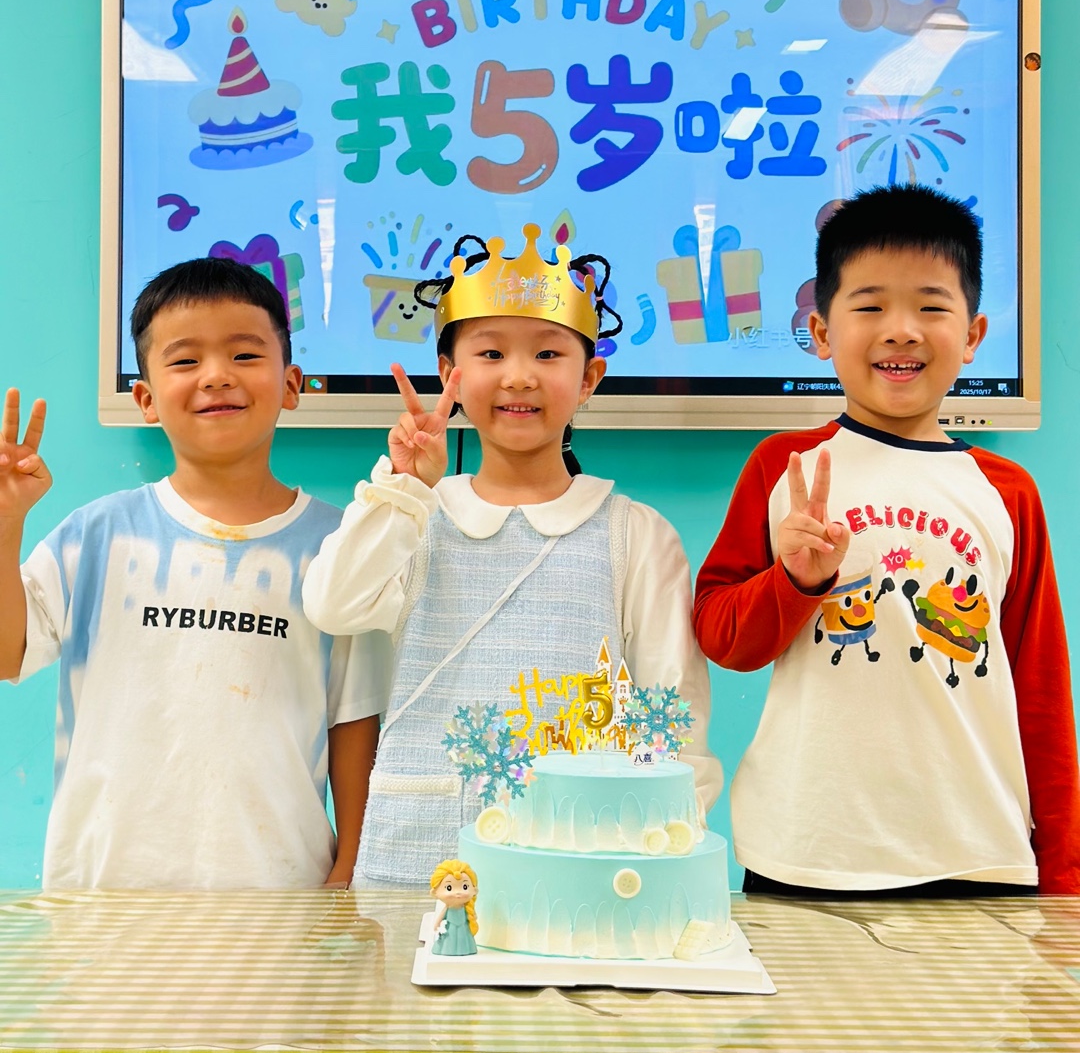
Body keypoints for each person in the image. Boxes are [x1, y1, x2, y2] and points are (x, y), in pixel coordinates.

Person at [303, 224, 722, 887]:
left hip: (582, 864)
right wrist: (405, 488)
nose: (519, 376)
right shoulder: (417, 517)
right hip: (420, 859)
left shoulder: (635, 534)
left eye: (548, 354)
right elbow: (334, 604)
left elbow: (673, 713)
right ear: (451, 375)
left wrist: (665, 848)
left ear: (589, 378)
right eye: (491, 352)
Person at [694, 184, 1080, 897]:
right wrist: (795, 581)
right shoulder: (786, 467)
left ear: (973, 335)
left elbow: (1043, 692)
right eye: (870, 307)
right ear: (820, 333)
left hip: (979, 853)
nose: (901, 330)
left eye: (931, 307)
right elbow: (722, 638)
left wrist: (1064, 880)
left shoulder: (1008, 492)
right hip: (807, 851)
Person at [0, 258, 387, 890]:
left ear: (291, 384)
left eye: (244, 355)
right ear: (146, 399)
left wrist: (354, 863)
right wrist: (5, 525)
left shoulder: (341, 549)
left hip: (277, 897)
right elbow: (5, 654)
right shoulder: (97, 533)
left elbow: (354, 718)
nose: (216, 376)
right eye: (185, 360)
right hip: (103, 898)